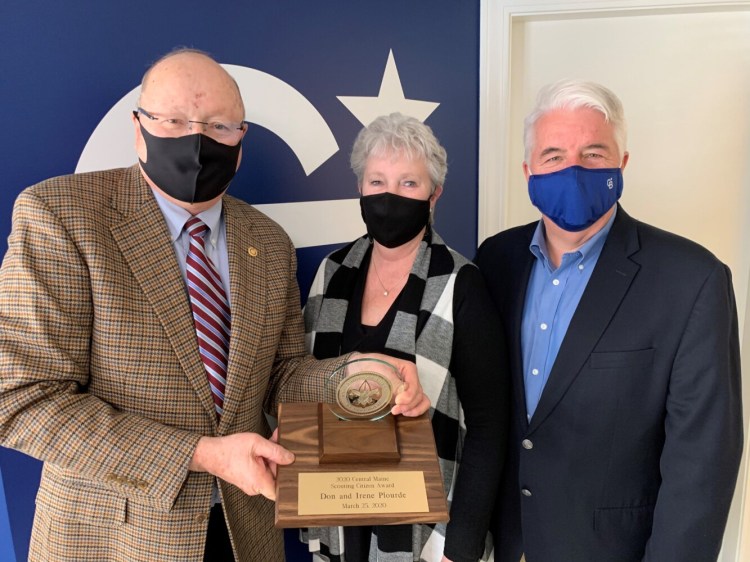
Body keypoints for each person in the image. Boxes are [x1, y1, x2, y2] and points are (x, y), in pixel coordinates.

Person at [0, 49, 428, 562]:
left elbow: (282, 375)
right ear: (139, 129)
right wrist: (201, 455)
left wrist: (360, 373)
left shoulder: (268, 242)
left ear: (240, 142)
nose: (197, 139)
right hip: (116, 538)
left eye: (219, 126)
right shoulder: (61, 216)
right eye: (175, 120)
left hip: (245, 530)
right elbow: (21, 399)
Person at [475, 79, 743, 562]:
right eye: (553, 156)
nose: (573, 169)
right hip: (505, 546)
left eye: (593, 154)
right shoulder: (495, 261)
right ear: (528, 170)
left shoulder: (691, 279)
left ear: (622, 163)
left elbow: (703, 462)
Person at [302, 113, 509, 562]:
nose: (389, 196)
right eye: (377, 181)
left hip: (429, 526)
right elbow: (302, 380)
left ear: (434, 195)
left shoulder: (461, 282)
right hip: (338, 509)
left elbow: (489, 427)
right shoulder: (331, 273)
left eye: (408, 183)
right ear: (360, 187)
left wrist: (464, 543)